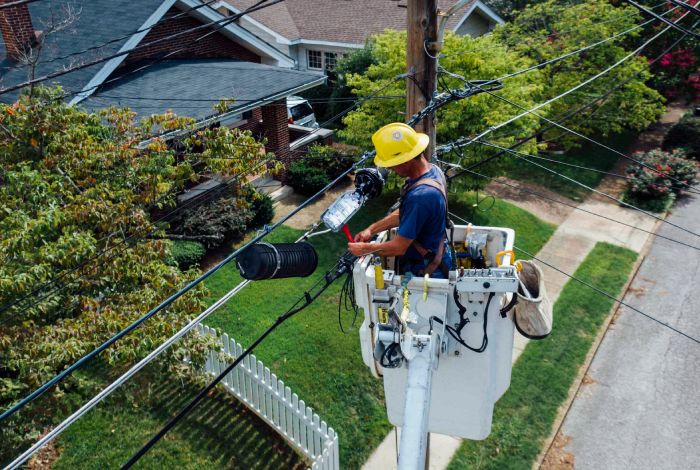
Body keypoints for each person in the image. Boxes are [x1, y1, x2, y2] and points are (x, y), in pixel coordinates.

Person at [347, 123, 452, 278]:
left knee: (410, 302)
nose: (390, 169)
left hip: (427, 270)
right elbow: (404, 214)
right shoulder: (432, 171)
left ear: (406, 160)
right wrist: (371, 229)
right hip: (434, 256)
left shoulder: (421, 196)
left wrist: (364, 249)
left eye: (391, 164)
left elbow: (398, 247)